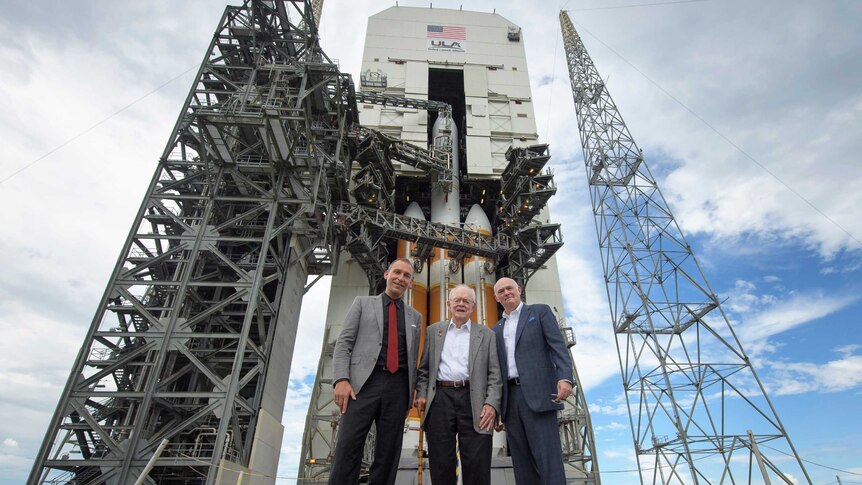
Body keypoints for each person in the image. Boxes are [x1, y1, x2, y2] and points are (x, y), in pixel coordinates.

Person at [329, 258, 422, 485]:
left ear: (410, 283)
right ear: (386, 274)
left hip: (398, 388)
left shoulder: (415, 317)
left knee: (388, 452)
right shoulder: (362, 303)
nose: (400, 278)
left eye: (406, 276)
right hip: (362, 385)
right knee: (348, 446)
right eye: (397, 273)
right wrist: (341, 379)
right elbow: (344, 344)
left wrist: (415, 392)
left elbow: (413, 359)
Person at [414, 285, 502, 485]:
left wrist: (492, 403)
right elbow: (424, 369)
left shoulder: (487, 335)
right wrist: (421, 393)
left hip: (475, 401)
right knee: (441, 462)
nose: (461, 304)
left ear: (473, 307)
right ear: (448, 304)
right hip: (440, 399)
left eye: (466, 301)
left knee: (477, 462)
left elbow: (495, 374)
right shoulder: (433, 331)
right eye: (457, 300)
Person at [492, 277, 574, 485]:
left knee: (548, 459)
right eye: (501, 291)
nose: (506, 293)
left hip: (539, 395)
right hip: (511, 400)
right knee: (522, 464)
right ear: (496, 297)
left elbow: (558, 346)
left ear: (519, 290)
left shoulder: (539, 312)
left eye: (509, 288)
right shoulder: (496, 329)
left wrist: (565, 377)